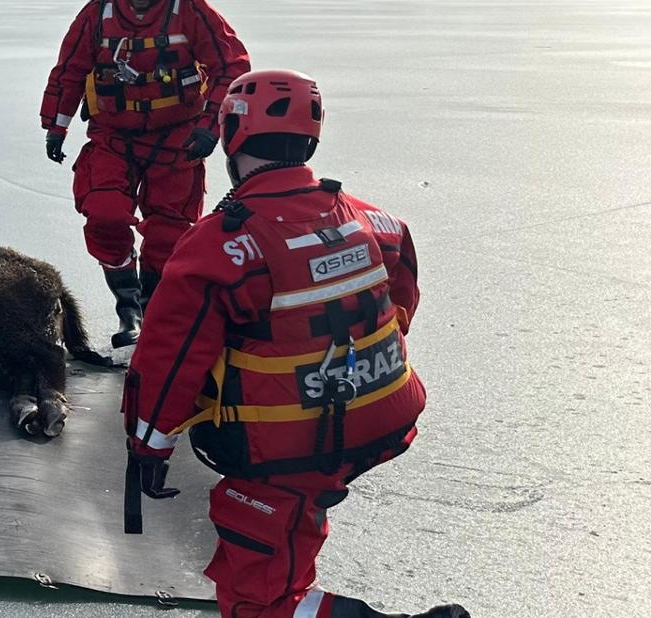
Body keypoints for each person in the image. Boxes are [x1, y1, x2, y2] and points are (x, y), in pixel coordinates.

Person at [121, 70, 467, 618]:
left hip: (286, 449)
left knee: (257, 602)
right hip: (383, 418)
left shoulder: (219, 246)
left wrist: (149, 447)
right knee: (279, 545)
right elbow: (400, 290)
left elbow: (168, 359)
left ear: (231, 137)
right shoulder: (369, 219)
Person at [38, 0, 252, 347]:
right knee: (104, 213)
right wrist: (56, 126)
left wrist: (211, 129)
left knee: (169, 235)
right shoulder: (96, 16)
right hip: (113, 137)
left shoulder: (191, 11)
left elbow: (233, 67)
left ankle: (153, 314)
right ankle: (128, 308)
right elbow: (70, 72)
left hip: (178, 140)